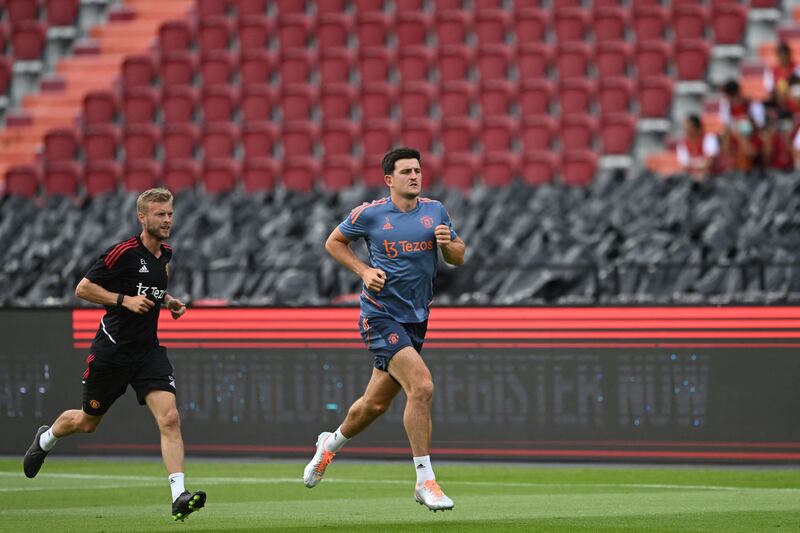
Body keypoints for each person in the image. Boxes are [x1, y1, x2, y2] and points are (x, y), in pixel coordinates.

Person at [22, 188, 206, 522]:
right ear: (142, 217)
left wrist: (168, 302)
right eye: (160, 214)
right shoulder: (122, 252)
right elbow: (83, 288)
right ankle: (46, 438)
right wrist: (123, 301)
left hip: (148, 351)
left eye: (170, 213)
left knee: (170, 418)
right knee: (87, 422)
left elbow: (150, 289)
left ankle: (179, 495)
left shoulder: (166, 255)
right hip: (112, 351)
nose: (167, 220)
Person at [302, 147, 466, 512]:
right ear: (389, 179)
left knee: (374, 405)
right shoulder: (370, 214)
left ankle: (328, 446)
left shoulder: (435, 211)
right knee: (421, 386)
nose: (415, 176)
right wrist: (363, 271)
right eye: (406, 171)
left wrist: (448, 244)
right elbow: (334, 242)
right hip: (379, 315)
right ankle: (426, 481)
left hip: (416, 318)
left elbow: (457, 256)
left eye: (418, 170)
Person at [676, 114, 721, 180]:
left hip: (712, 177)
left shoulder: (709, 138)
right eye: (685, 129)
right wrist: (701, 164)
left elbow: (709, 163)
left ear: (697, 128)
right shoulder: (682, 143)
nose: (687, 132)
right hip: (691, 177)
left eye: (689, 128)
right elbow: (684, 166)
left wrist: (692, 164)